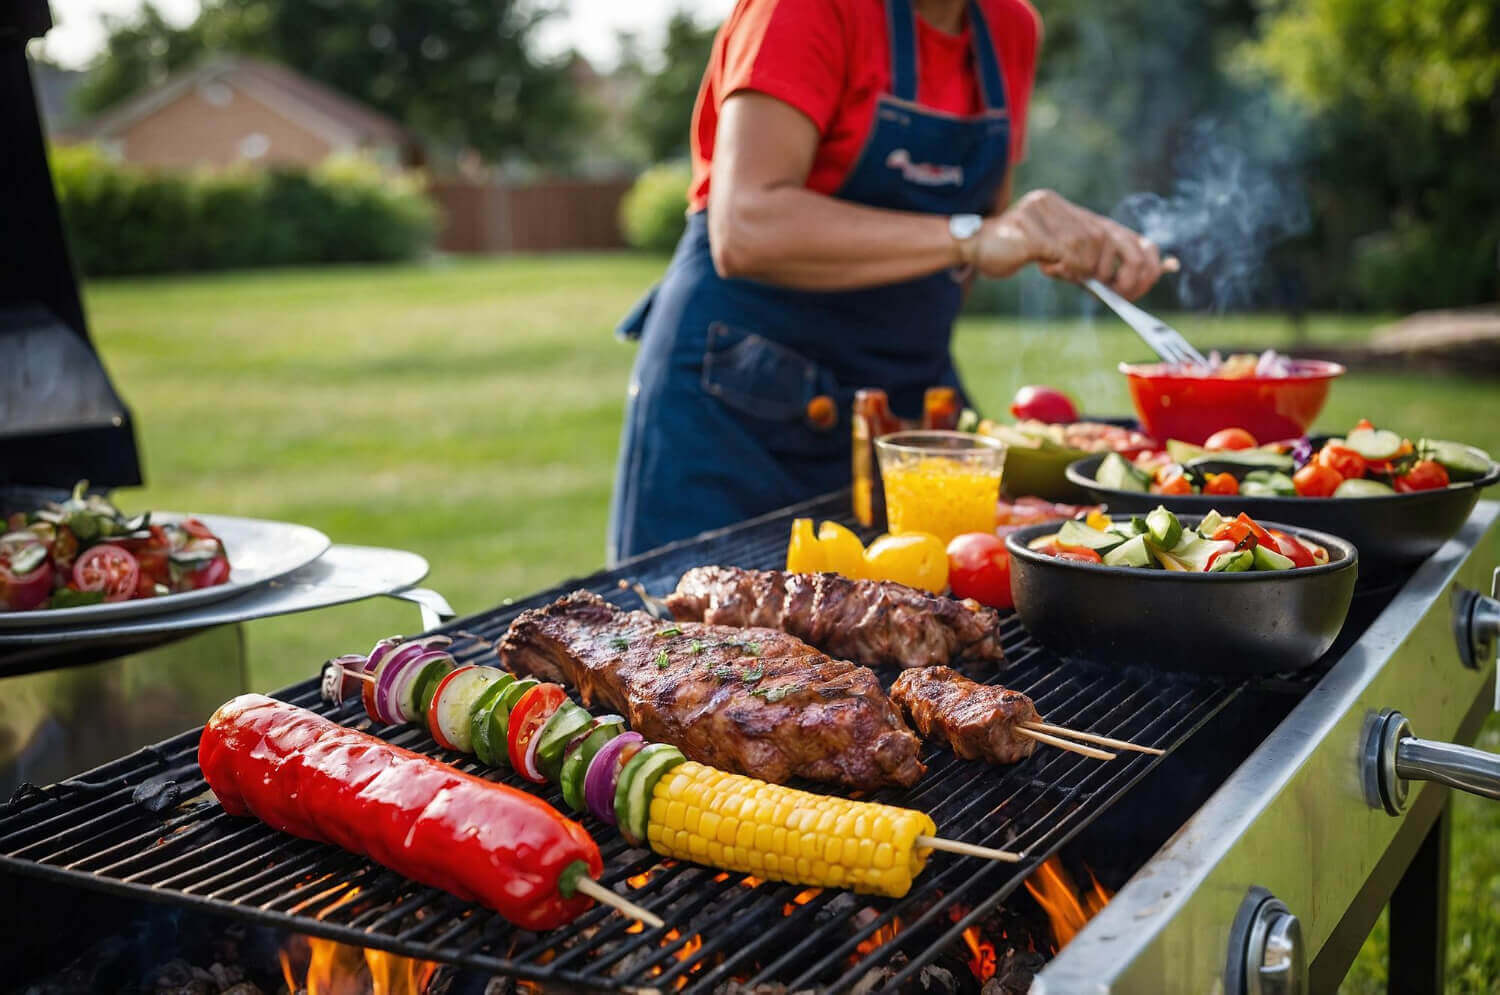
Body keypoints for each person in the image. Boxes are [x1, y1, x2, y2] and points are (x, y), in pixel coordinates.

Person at [608, 0, 1165, 563]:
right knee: (689, 639)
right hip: (740, 405)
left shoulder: (1009, 26)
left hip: (902, 404)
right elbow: (746, 228)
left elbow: (977, 237)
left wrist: (1029, 233)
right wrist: (972, 235)